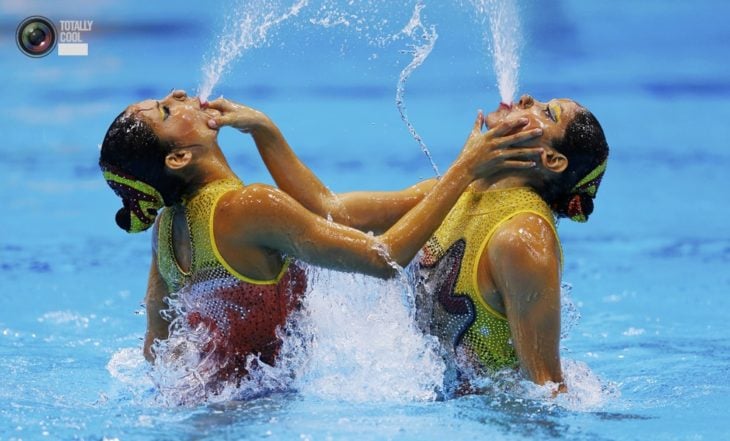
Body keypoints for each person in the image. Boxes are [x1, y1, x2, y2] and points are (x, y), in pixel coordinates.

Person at [98, 90, 543, 391]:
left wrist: (264, 131)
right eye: (166, 111)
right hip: (250, 419)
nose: (178, 95)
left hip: (205, 407)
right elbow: (383, 259)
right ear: (178, 157)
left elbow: (156, 348)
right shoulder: (247, 206)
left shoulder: (168, 225)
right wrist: (465, 169)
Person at [231, 94, 609, 395]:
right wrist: (265, 131)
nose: (526, 98)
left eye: (547, 112)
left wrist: (464, 166)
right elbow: (333, 211)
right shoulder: (456, 195)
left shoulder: (523, 239)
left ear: (552, 160)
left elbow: (544, 391)